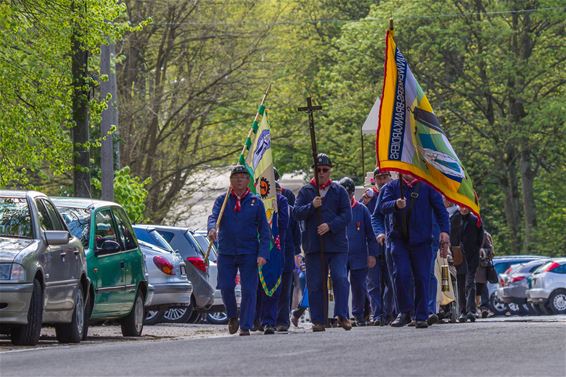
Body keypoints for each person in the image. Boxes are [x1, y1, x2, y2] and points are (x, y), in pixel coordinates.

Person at [377, 173, 450, 328]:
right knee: (401, 275)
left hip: (422, 240)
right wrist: (395, 204)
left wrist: (445, 231)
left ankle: (421, 315)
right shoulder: (392, 187)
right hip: (399, 239)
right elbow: (382, 207)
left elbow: (440, 210)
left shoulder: (428, 186)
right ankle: (404, 312)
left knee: (422, 277)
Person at [207, 165, 270, 336]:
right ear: (231, 180)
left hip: (249, 251)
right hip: (226, 251)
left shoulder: (256, 202)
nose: (239, 180)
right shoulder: (223, 199)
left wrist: (263, 253)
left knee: (249, 289)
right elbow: (213, 217)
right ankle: (232, 316)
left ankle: (246, 324)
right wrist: (212, 229)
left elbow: (264, 231)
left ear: (248, 181)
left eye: (243, 177)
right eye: (236, 177)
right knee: (226, 286)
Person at [293, 153, 353, 332]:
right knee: (315, 284)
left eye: (325, 170)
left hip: (337, 246)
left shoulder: (339, 191)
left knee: (340, 278)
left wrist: (330, 226)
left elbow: (347, 216)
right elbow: (296, 213)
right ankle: (318, 320)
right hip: (314, 246)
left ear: (330, 171)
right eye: (318, 170)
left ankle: (342, 315)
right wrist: (312, 206)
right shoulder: (306, 191)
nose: (321, 173)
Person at [339, 177, 378, 326]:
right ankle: (343, 315)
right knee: (341, 284)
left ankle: (359, 314)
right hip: (340, 254)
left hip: (359, 255)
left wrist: (372, 254)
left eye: (348, 194)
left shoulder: (362, 209)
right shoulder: (336, 209)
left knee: (359, 286)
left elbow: (370, 234)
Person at [255, 189, 288, 334]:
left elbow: (283, 226)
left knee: (272, 287)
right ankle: (253, 321)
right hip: (252, 247)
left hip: (273, 248)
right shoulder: (252, 200)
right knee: (254, 288)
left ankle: (269, 322)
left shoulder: (280, 201)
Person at [369, 168, 397, 325]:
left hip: (391, 245)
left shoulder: (393, 194)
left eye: (385, 177)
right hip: (374, 247)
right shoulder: (369, 199)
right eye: (379, 178)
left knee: (391, 282)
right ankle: (377, 314)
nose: (382, 181)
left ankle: (388, 312)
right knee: (373, 284)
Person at [451, 206, 484, 322]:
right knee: (460, 284)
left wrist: (476, 248)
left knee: (470, 283)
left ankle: (471, 311)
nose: (464, 209)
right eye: (461, 206)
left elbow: (481, 237)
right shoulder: (454, 218)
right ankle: (462, 311)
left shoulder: (475, 219)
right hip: (458, 256)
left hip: (471, 256)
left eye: (466, 207)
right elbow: (451, 236)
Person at [475, 231, 494, 318]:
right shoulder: (462, 231)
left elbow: (491, 251)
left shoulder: (484, 235)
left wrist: (483, 251)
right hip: (468, 265)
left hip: (480, 266)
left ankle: (484, 308)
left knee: (482, 287)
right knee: (468, 287)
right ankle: (471, 309)